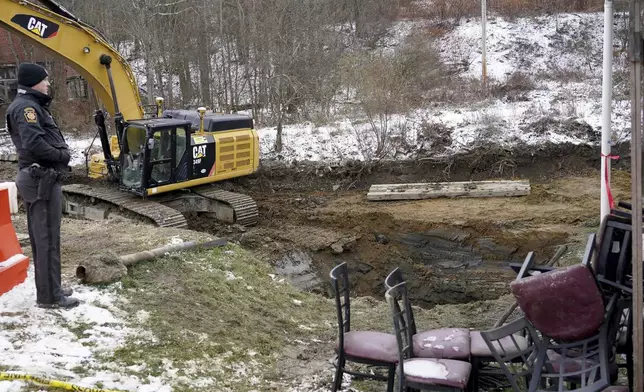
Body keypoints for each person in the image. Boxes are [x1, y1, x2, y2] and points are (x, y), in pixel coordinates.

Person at [5, 63, 79, 309]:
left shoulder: (32, 105)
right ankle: (50, 297)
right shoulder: (27, 108)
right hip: (41, 179)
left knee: (46, 238)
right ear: (34, 82)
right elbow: (34, 143)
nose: (48, 84)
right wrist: (61, 156)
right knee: (46, 239)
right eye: (45, 80)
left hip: (41, 178)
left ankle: (52, 288)